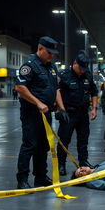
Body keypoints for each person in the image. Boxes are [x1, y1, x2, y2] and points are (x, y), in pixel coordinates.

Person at [15, 36, 68, 189]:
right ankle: (22, 179)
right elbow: (20, 88)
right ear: (40, 49)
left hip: (46, 113)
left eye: (53, 53)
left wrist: (61, 108)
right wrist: (38, 103)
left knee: (44, 145)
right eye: (49, 52)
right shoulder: (29, 66)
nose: (52, 55)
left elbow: (55, 89)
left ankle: (40, 176)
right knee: (29, 145)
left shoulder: (51, 67)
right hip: (31, 113)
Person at [56, 52, 98, 176]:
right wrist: (62, 109)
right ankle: (61, 165)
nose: (82, 71)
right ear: (74, 63)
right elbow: (57, 91)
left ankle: (83, 163)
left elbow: (94, 92)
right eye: (80, 68)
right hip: (68, 113)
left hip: (83, 113)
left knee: (83, 140)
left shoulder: (87, 75)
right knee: (64, 140)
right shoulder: (64, 75)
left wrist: (94, 108)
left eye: (84, 69)